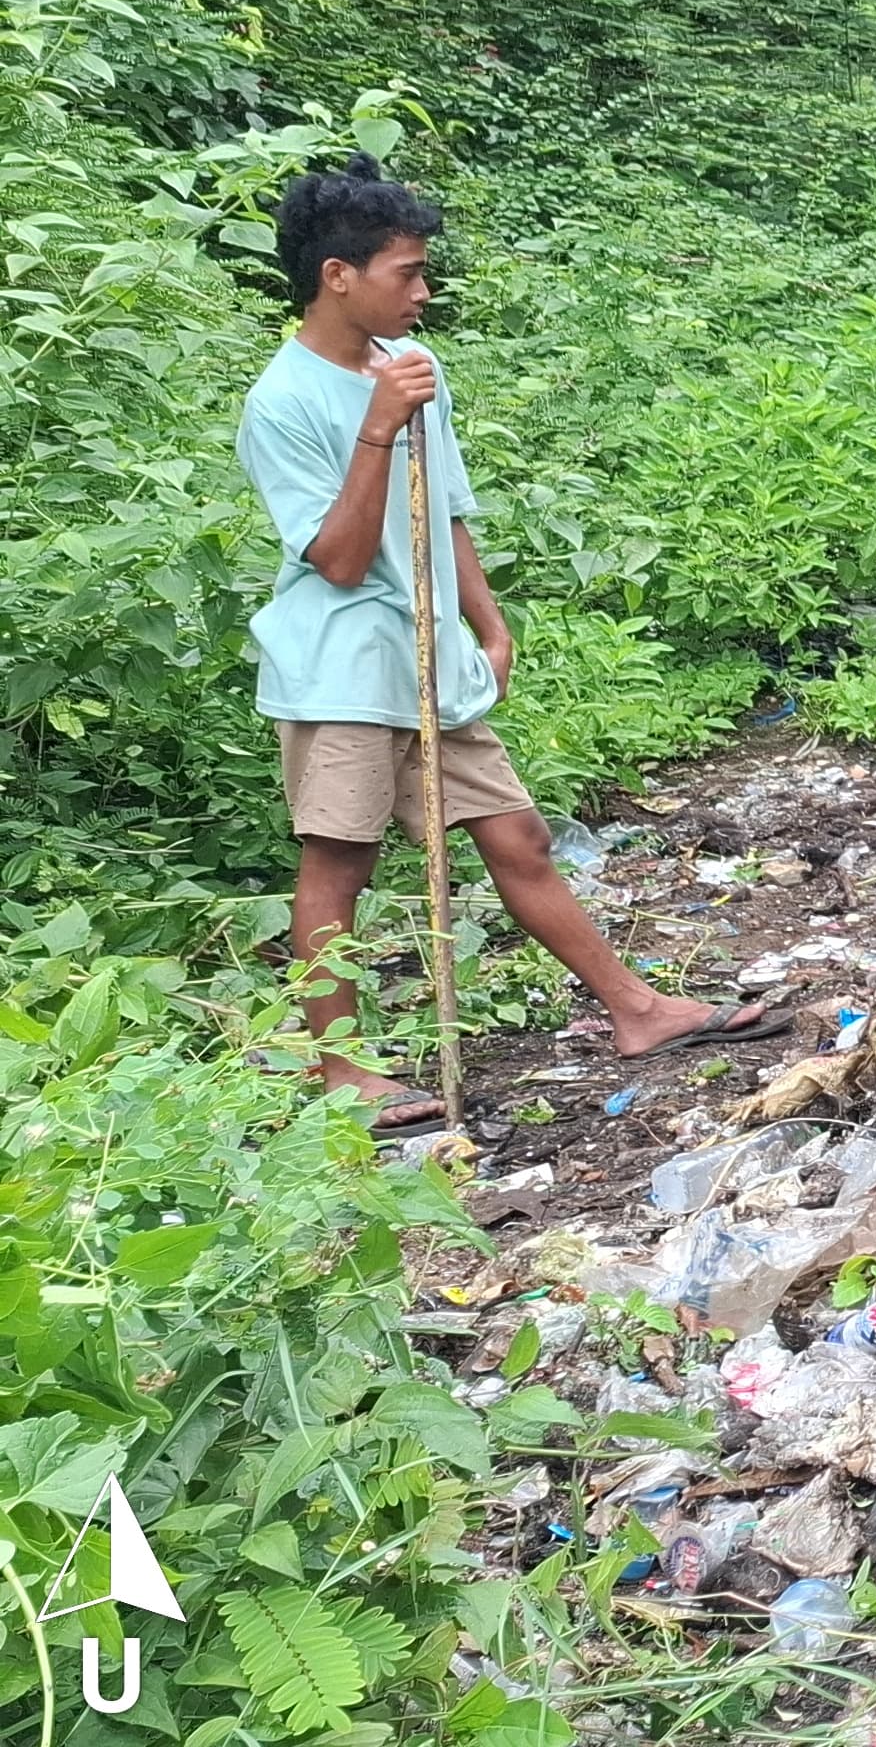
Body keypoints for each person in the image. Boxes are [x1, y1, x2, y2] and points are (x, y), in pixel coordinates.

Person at [241, 158, 779, 1128]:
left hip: (431, 659)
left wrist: (488, 624)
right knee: (338, 867)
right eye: (406, 272)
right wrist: (374, 431)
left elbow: (442, 511)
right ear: (337, 275)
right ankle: (340, 1073)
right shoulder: (280, 402)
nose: (423, 291)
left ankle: (638, 1008)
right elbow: (338, 558)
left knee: (518, 833)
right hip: (341, 669)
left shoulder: (417, 370)